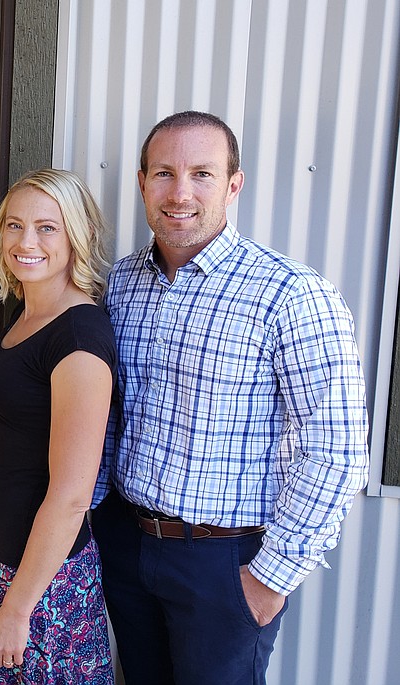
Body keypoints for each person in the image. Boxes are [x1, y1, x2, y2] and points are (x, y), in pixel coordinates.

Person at [96, 111, 371, 685]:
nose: (180, 193)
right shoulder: (120, 283)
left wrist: (269, 581)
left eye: (202, 173)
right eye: (165, 173)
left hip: (223, 565)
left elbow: (337, 451)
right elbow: (108, 418)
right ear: (142, 181)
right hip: (126, 544)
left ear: (233, 184)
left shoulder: (291, 294)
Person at [0, 168, 116, 684]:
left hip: (44, 584)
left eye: (47, 227)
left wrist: (18, 608)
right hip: (4, 557)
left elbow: (72, 495)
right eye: (13, 225)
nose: (26, 242)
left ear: (77, 236)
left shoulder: (78, 338)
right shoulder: (27, 315)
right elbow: (11, 438)